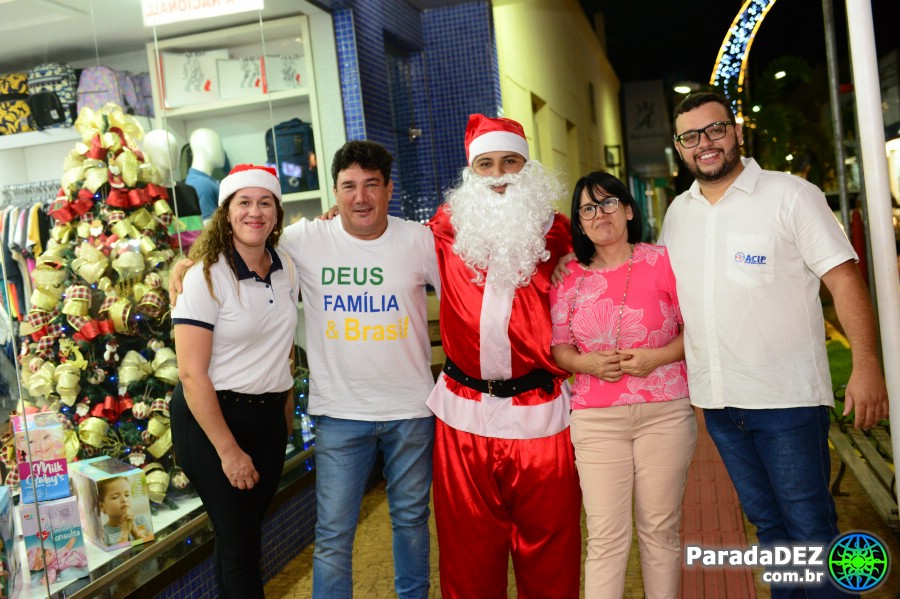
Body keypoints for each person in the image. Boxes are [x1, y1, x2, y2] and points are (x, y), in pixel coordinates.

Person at [171, 141, 440, 598]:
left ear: (389, 190)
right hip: (337, 413)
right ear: (334, 194)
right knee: (331, 536)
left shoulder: (417, 240)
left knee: (412, 522)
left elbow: (469, 286)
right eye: (349, 186)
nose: (360, 197)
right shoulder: (303, 241)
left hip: (410, 408)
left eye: (371, 185)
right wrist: (188, 263)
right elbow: (237, 241)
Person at [664, 92, 889, 597]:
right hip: (719, 404)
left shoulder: (792, 195)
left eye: (716, 129)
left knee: (810, 533)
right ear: (679, 148)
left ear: (738, 131)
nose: (706, 144)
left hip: (786, 402)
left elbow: (845, 280)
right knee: (770, 533)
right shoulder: (678, 215)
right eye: (691, 136)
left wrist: (867, 366)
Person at [426, 114, 581, 598]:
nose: (498, 176)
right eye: (486, 164)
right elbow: (372, 241)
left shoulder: (562, 235)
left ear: (526, 165)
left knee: (552, 552)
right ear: (472, 174)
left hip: (542, 418)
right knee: (467, 555)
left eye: (509, 162)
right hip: (463, 417)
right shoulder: (444, 229)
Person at [549, 171, 696, 599]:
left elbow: (697, 330)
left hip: (665, 413)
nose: (600, 214)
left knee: (660, 531)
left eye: (609, 202)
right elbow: (560, 348)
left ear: (629, 210)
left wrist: (658, 356)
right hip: (596, 421)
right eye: (588, 209)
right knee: (606, 538)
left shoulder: (664, 261)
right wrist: (586, 363)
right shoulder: (568, 277)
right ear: (579, 222)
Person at [171, 163, 298, 599]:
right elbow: (191, 372)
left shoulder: (287, 268)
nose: (255, 212)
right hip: (211, 423)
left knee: (238, 540)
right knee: (243, 548)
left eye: (265, 203)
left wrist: (285, 410)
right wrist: (228, 452)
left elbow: (280, 347)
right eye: (243, 202)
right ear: (226, 213)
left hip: (267, 422)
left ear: (277, 214)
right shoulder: (205, 276)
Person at [143, 129, 203, 252]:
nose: (172, 152)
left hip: (196, 261)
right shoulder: (144, 196)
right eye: (164, 147)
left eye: (174, 147)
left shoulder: (189, 191)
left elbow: (200, 235)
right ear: (148, 153)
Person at [185, 127, 226, 221]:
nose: (222, 152)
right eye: (217, 146)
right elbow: (208, 228)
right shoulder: (203, 185)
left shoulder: (204, 181)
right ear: (204, 148)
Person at [98, 477, 153, 545]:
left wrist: (135, 532)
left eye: (127, 495)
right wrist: (125, 532)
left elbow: (151, 547)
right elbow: (119, 555)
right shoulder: (103, 532)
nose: (124, 499)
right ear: (101, 506)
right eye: (115, 497)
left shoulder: (141, 520)